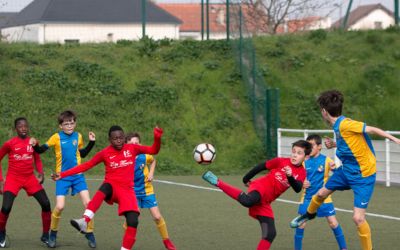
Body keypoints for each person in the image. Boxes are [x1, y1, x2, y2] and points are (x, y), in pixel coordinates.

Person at [290, 90, 400, 250]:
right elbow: (352, 142)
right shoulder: (338, 127)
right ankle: (308, 215)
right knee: (320, 194)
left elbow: (372, 129)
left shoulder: (345, 124)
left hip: (363, 175)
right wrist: (335, 145)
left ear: (324, 112)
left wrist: (396, 139)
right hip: (346, 171)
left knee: (358, 218)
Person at [52, 125, 163, 250]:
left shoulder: (132, 148)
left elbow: (154, 150)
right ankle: (84, 220)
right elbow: (86, 165)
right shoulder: (105, 153)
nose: (119, 140)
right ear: (110, 140)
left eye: (121, 137)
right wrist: (62, 174)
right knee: (106, 186)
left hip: (128, 192)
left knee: (133, 222)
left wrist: (157, 137)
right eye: (115, 138)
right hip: (112, 188)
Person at [202, 140, 312, 250]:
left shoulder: (302, 172)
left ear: (306, 157)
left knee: (270, 234)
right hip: (261, 186)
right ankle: (217, 182)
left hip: (265, 201)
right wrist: (246, 178)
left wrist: (290, 176)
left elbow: (297, 188)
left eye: (299, 153)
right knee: (248, 201)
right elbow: (262, 166)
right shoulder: (281, 161)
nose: (294, 155)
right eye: (293, 151)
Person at [29, 110, 96, 248]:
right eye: (66, 124)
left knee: (89, 204)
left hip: (78, 176)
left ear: (75, 123)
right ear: (61, 126)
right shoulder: (56, 137)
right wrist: (35, 144)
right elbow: (41, 150)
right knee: (60, 206)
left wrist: (91, 143)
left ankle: (89, 233)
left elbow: (82, 154)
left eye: (72, 123)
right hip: (62, 177)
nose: (70, 126)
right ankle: (52, 234)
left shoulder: (78, 136)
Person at [0, 117, 51, 247]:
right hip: (13, 179)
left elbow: (37, 159)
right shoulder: (9, 144)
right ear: (15, 129)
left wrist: (40, 173)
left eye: (25, 126)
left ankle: (45, 235)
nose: (23, 128)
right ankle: (1, 232)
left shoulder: (33, 142)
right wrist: (1, 180)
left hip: (29, 178)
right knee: (6, 208)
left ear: (27, 127)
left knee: (46, 204)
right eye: (20, 126)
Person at [294, 134, 347, 250]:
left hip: (324, 198)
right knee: (301, 224)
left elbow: (339, 175)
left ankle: (343, 248)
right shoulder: (303, 161)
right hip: (307, 198)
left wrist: (335, 168)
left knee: (333, 223)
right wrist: (301, 182)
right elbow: (296, 177)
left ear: (319, 147)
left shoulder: (327, 160)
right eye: (307, 146)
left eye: (311, 145)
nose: (309, 148)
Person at [125, 132, 176, 250]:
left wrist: (151, 173)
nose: (134, 145)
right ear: (126, 145)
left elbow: (153, 161)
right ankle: (126, 242)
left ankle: (167, 241)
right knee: (133, 220)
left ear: (140, 144)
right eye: (131, 144)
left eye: (136, 143)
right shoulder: (124, 158)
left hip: (147, 190)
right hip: (132, 193)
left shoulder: (145, 155)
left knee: (157, 217)